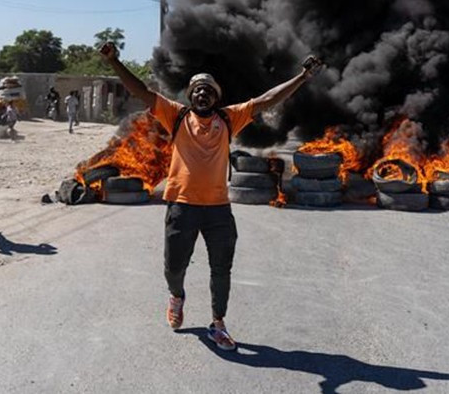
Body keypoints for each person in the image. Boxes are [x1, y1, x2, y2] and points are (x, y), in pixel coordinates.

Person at [99, 41, 323, 351]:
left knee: (221, 269)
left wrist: (302, 77)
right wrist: (114, 62)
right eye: (197, 90)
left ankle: (218, 323)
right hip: (181, 206)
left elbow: (268, 99)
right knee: (174, 267)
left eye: (209, 90)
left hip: (218, 209)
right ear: (190, 96)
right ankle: (176, 296)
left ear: (216, 98)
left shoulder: (229, 118)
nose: (202, 93)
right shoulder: (175, 115)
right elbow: (141, 91)